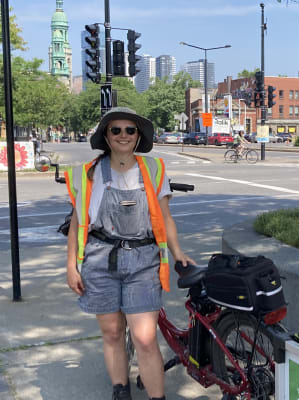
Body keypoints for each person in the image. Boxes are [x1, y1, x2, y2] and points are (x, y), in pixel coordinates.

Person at [65, 107, 194, 400]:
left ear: (139, 136)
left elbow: (165, 217)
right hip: (99, 260)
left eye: (130, 130)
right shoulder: (89, 174)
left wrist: (178, 254)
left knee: (145, 338)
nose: (123, 135)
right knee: (111, 333)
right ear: (106, 137)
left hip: (143, 262)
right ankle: (120, 390)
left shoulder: (153, 169)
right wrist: (71, 266)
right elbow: (76, 224)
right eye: (116, 130)